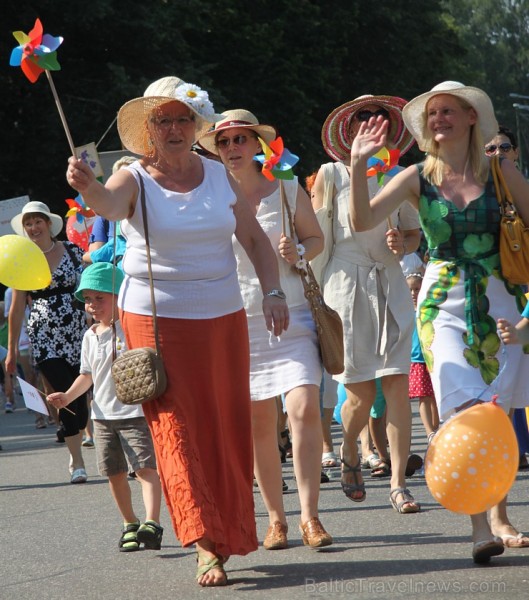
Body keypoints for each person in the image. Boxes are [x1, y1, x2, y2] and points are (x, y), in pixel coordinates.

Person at [66, 76, 289, 586]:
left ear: (196, 125)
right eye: (162, 120)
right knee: (177, 431)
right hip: (156, 321)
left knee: (224, 426)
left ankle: (229, 530)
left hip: (223, 317)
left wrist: (273, 292)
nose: (173, 128)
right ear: (148, 130)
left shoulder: (218, 176)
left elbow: (254, 241)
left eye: (182, 119)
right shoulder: (133, 176)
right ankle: (204, 541)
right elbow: (108, 204)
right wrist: (86, 185)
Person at [348, 80, 529, 561]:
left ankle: (501, 515)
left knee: (499, 408)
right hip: (441, 302)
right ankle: (479, 527)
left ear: (472, 118)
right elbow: (362, 221)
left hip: (500, 298)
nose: (439, 119)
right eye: (433, 114)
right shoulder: (415, 177)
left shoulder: (500, 171)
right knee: (465, 407)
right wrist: (357, 164)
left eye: (449, 111)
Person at [198, 109, 331, 550]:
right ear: (216, 151)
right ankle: (276, 519)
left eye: (241, 139)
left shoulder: (287, 187)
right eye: (224, 142)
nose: (233, 148)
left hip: (292, 315)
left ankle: (310, 516)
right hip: (239, 319)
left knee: (304, 407)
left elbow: (317, 240)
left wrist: (297, 254)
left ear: (258, 144)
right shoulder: (209, 196)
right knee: (258, 422)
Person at [312, 95, 421, 512]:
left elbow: (413, 235)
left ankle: (397, 483)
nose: (370, 122)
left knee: (396, 383)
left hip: (389, 282)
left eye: (378, 116)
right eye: (361, 116)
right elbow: (319, 238)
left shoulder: (399, 174)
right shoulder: (330, 174)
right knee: (358, 393)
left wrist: (402, 242)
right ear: (348, 127)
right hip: (345, 284)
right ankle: (350, 451)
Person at [47, 263, 163, 553]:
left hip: (134, 412)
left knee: (145, 469)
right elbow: (87, 375)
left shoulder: (131, 327)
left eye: (100, 298)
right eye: (88, 298)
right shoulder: (90, 336)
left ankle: (152, 522)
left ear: (118, 296)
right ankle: (130, 523)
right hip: (102, 416)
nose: (92, 304)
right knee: (114, 473)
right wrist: (68, 397)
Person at [6, 201, 89, 483]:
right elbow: (16, 310)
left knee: (82, 402)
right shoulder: (23, 262)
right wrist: (13, 349)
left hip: (79, 334)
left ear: (48, 224)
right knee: (62, 394)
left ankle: (78, 432)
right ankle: (77, 461)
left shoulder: (73, 251)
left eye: (37, 221)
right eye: (28, 223)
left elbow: (90, 289)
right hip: (44, 338)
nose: (33, 227)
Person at [406, 272, 439, 456]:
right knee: (424, 397)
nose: (413, 293)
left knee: (435, 397)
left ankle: (435, 430)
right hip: (417, 359)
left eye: (417, 289)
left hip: (432, 357)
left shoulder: (429, 309)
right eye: (410, 289)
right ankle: (429, 431)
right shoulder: (405, 310)